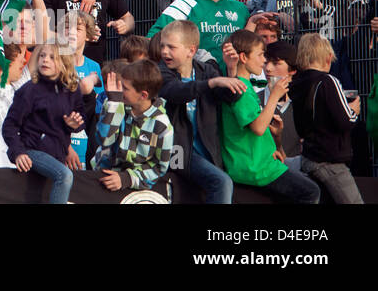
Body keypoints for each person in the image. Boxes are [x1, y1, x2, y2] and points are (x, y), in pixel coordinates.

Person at [220, 29, 320, 202]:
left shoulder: (245, 85)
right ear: (244, 58)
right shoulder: (240, 87)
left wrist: (274, 147)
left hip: (263, 163)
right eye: (260, 55)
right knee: (311, 192)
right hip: (255, 168)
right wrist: (274, 96)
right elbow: (258, 127)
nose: (264, 61)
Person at [156, 19, 241, 204]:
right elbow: (176, 92)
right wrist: (212, 83)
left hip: (208, 151)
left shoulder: (206, 70)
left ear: (191, 51)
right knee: (221, 182)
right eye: (162, 46)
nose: (164, 51)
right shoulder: (160, 72)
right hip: (177, 153)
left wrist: (232, 70)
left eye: (171, 47)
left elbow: (230, 97)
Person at [2, 44, 87, 203]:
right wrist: (18, 152)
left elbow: (80, 119)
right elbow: (10, 126)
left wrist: (73, 125)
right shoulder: (29, 90)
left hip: (58, 154)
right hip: (31, 150)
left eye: (52, 57)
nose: (45, 60)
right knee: (65, 175)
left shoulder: (72, 90)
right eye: (42, 56)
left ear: (64, 61)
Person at [288, 33, 363, 204]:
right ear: (329, 57)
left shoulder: (297, 83)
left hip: (308, 157)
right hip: (330, 160)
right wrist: (353, 110)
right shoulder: (329, 81)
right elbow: (345, 121)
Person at [92, 59, 174, 193]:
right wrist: (114, 106)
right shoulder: (114, 103)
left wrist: (126, 179)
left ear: (143, 95)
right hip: (103, 175)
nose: (119, 90)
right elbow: (104, 140)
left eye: (125, 88)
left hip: (136, 186)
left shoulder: (162, 126)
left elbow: (159, 168)